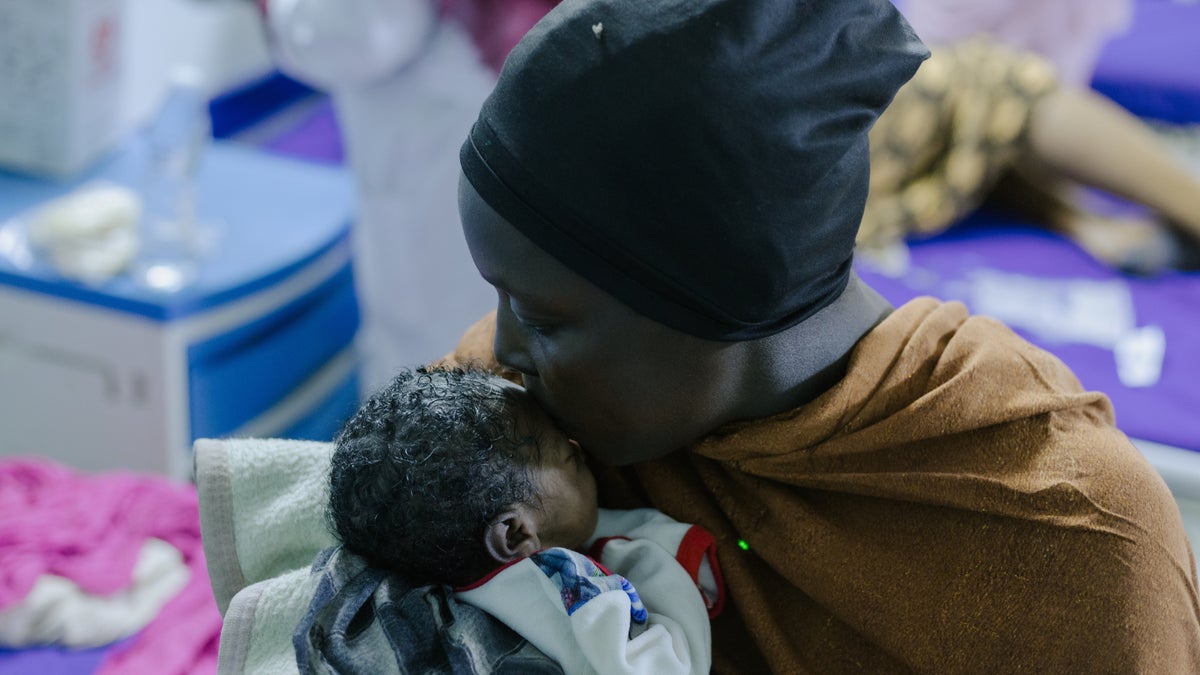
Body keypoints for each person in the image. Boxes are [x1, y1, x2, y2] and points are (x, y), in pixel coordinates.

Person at [444, 0, 1200, 672]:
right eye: (502, 299)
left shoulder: (1072, 546)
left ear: (724, 303)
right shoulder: (508, 444)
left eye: (544, 318)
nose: (501, 349)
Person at [326, 366, 723, 675]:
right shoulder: (569, 590)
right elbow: (671, 665)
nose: (579, 449)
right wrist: (652, 565)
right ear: (516, 534)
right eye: (570, 458)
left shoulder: (432, 572)